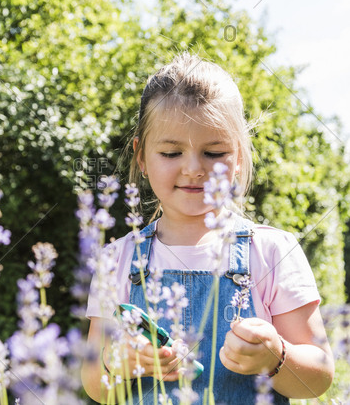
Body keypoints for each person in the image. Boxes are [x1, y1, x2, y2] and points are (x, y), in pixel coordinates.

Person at [80, 52, 334, 404]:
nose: (194, 169)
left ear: (240, 155)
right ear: (141, 156)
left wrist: (276, 357)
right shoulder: (117, 258)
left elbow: (318, 377)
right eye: (171, 153)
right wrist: (117, 361)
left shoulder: (273, 250)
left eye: (214, 153)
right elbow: (94, 383)